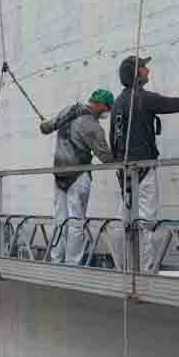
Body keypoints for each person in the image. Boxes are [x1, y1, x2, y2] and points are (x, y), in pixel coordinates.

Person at [110, 56, 179, 271]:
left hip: (124, 170)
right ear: (136, 73)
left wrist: (119, 168)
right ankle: (144, 271)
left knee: (127, 220)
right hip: (144, 168)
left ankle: (127, 268)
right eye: (144, 67)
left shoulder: (118, 103)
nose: (148, 70)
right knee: (146, 221)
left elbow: (113, 139)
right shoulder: (142, 98)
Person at [40, 88, 115, 264]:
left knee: (60, 220)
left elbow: (46, 128)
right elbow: (106, 157)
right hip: (78, 177)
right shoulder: (92, 126)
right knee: (76, 222)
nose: (105, 113)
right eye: (106, 108)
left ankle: (56, 260)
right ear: (100, 105)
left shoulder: (69, 111)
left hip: (59, 175)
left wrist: (44, 123)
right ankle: (73, 264)